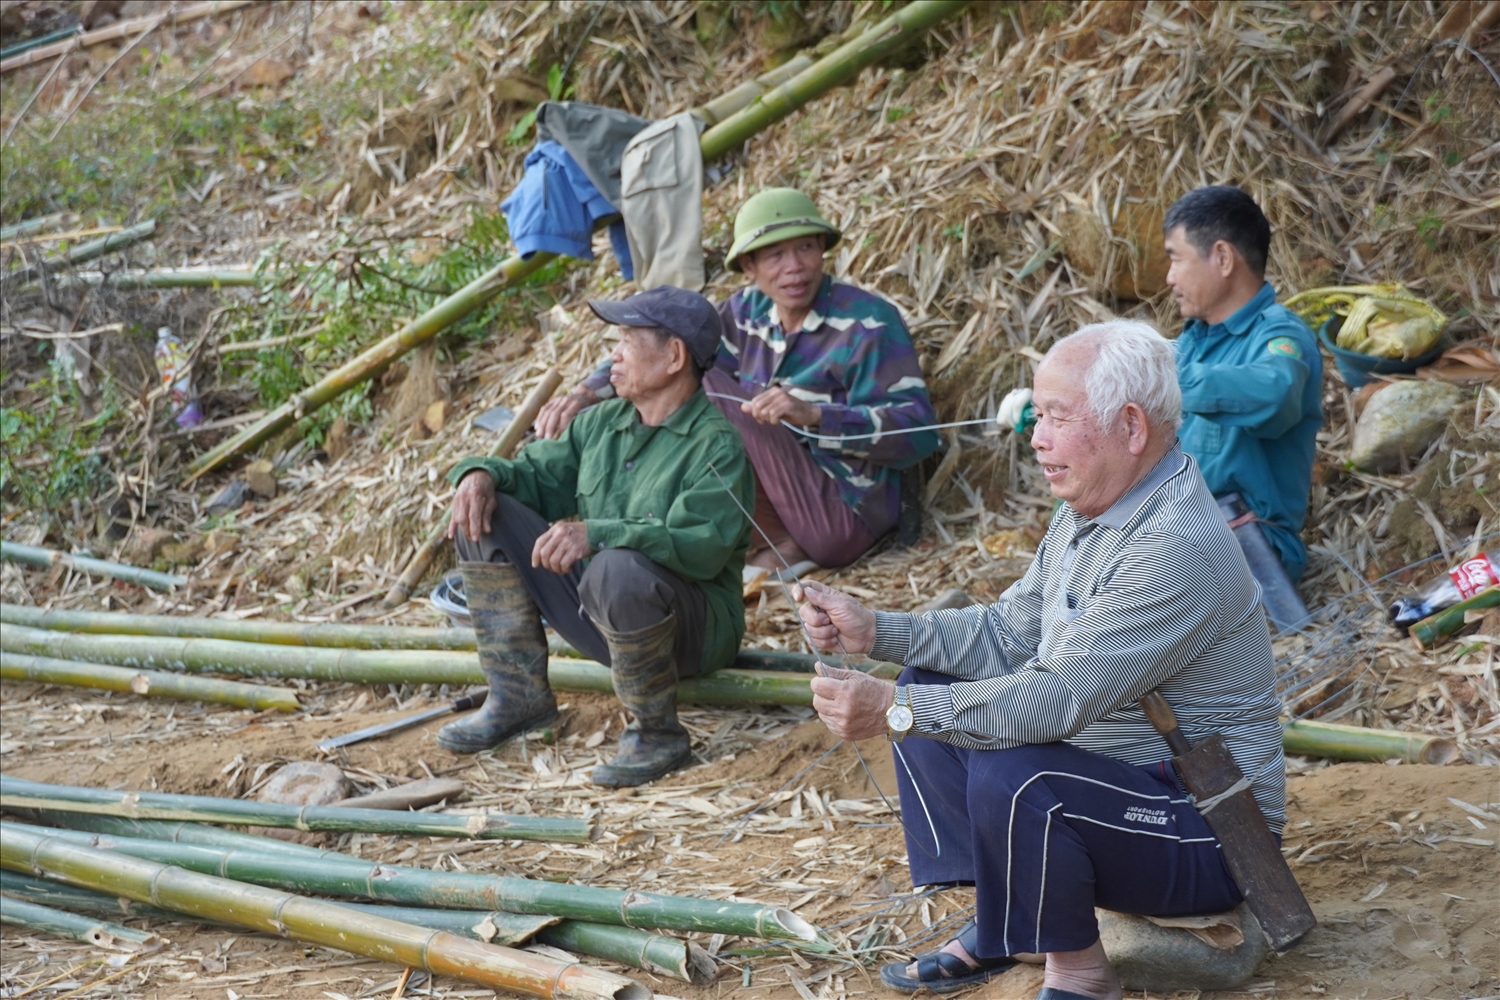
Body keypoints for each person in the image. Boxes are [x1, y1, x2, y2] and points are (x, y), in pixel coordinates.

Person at [796, 322, 1285, 1000]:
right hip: (1112, 788)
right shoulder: (1093, 507)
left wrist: (892, 712)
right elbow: (1006, 633)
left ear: (1132, 427)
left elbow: (1054, 700)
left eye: (1057, 416)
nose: (1036, 436)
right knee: (932, 684)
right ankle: (1009, 926)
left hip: (1205, 830)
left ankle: (1081, 971)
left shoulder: (1175, 545)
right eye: (1038, 414)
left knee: (1010, 765)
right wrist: (877, 630)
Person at [441, 286, 754, 787]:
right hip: (602, 613)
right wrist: (477, 474)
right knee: (486, 509)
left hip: (690, 636)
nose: (615, 352)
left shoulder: (717, 447)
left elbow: (702, 548)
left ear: (674, 356)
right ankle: (518, 697)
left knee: (617, 565)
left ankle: (657, 732)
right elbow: (531, 478)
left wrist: (599, 535)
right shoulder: (601, 424)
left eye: (628, 339)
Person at [536, 188, 941, 569]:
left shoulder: (867, 324)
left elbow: (920, 434)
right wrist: (588, 392)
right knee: (679, 373)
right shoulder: (745, 313)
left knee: (701, 381)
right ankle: (761, 540)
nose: (794, 267)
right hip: (780, 507)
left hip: (844, 513)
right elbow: (661, 353)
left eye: (805, 248)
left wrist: (817, 416)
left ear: (822, 250)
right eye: (775, 255)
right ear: (749, 266)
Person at [1163, 185, 1322, 583]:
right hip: (1179, 536)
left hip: (1248, 545)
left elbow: (1276, 393)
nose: (1169, 278)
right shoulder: (1193, 342)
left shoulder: (1281, 337)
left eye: (1176, 260)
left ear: (1221, 257)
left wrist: (1157, 381)